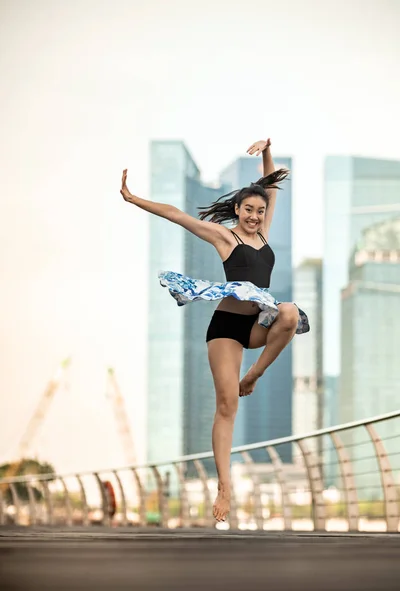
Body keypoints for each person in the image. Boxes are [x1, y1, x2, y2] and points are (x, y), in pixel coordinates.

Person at [120, 138, 309, 523]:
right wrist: (134, 198)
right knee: (227, 406)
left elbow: (270, 185)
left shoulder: (265, 233)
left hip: (257, 324)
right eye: (248, 210)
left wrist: (269, 150)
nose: (255, 216)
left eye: (260, 210)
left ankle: (254, 374)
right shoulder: (226, 237)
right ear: (237, 211)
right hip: (226, 327)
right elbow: (177, 215)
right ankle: (224, 486)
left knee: (289, 312)